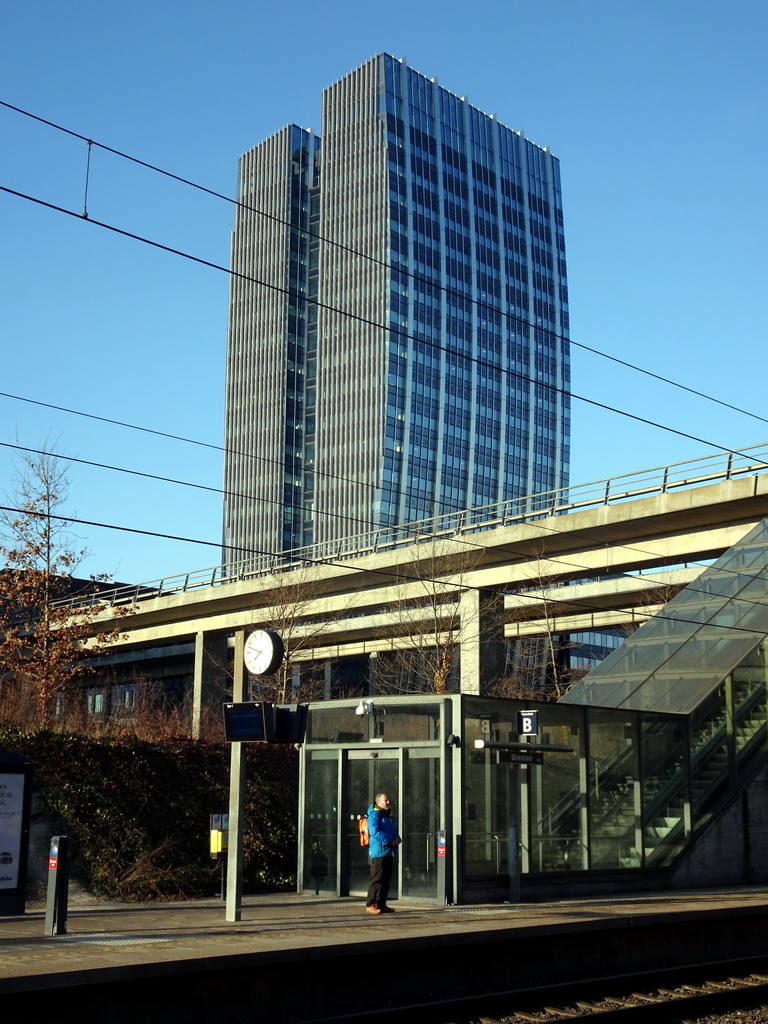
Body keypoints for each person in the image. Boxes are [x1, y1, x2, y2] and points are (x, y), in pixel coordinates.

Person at [365, 792, 401, 914]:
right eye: (385, 800)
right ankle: (371, 904)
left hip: (389, 851)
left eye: (388, 800)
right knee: (377, 878)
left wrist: (397, 838)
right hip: (379, 851)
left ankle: (381, 903)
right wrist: (391, 839)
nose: (388, 802)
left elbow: (394, 830)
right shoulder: (374, 815)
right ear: (378, 802)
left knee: (386, 879)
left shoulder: (389, 816)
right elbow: (374, 831)